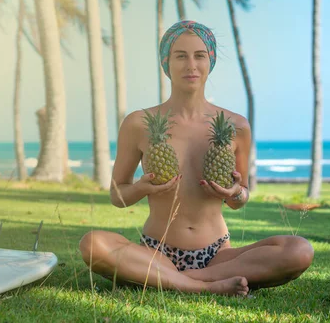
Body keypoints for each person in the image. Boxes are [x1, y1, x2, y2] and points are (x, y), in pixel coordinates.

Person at [79, 20, 314, 296]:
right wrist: (142, 187)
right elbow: (117, 196)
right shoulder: (138, 123)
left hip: (217, 256)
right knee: (91, 244)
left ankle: (184, 279)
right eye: (181, 56)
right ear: (166, 62)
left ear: (210, 61)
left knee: (299, 250)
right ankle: (203, 287)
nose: (191, 65)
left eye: (199, 55)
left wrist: (235, 192)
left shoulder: (236, 125)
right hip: (156, 251)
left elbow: (241, 198)